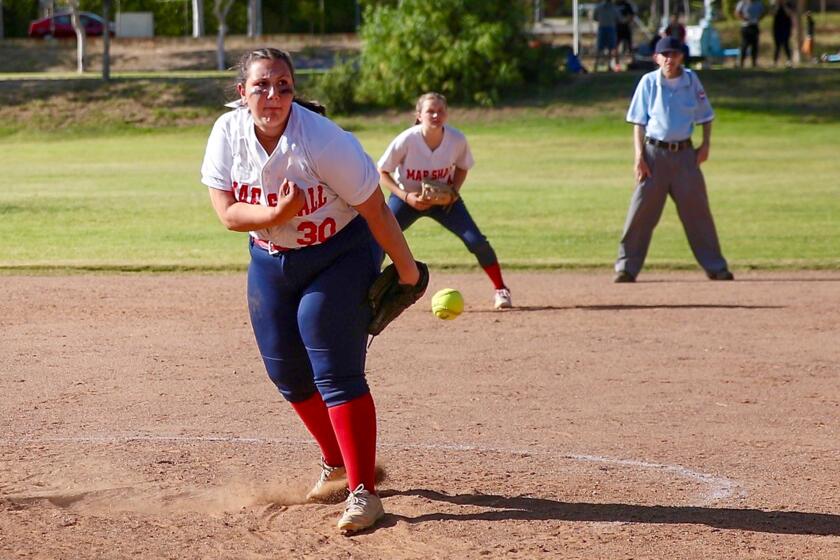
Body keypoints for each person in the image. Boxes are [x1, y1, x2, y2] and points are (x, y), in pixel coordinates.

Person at [200, 47, 424, 535]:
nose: (273, 95)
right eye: (261, 85)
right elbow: (227, 214)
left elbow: (376, 210)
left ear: (294, 92)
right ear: (242, 94)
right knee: (285, 370)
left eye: (283, 85)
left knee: (331, 361)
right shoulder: (227, 133)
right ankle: (336, 463)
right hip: (270, 257)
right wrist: (276, 216)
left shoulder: (321, 140)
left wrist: (407, 272)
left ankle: (364, 493)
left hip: (339, 252)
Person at [614, 37, 733, 283]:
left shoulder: (691, 81)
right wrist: (639, 157)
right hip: (654, 155)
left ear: (681, 56)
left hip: (685, 156)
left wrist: (706, 145)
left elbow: (706, 116)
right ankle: (626, 267)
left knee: (698, 213)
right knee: (640, 212)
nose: (670, 59)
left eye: (674, 54)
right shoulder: (648, 82)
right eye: (664, 54)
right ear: (656, 58)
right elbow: (639, 122)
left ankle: (716, 266)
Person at [377, 92, 512, 310]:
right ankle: (368, 293)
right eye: (430, 111)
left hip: (445, 201)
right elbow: (382, 171)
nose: (436, 115)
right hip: (407, 199)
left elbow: (462, 166)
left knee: (476, 241)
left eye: (441, 111)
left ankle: (501, 289)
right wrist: (407, 197)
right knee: (379, 240)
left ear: (447, 115)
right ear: (419, 115)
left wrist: (453, 192)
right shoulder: (407, 139)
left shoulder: (456, 139)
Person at [735, 0, 765, 68]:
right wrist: (743, 18)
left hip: (754, 25)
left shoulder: (758, 3)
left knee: (755, 45)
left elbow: (763, 12)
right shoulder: (743, 3)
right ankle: (741, 62)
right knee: (744, 45)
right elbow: (737, 12)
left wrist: (758, 18)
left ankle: (754, 62)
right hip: (746, 26)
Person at [593, 0, 621, 71]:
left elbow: (595, 17)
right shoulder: (612, 8)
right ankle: (597, 66)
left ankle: (601, 66)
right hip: (607, 28)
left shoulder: (600, 7)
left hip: (606, 28)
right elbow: (618, 19)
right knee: (606, 48)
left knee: (609, 48)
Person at [772, 0, 794, 66]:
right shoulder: (774, 4)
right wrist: (778, 5)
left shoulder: (789, 4)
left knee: (786, 44)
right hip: (777, 28)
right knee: (777, 46)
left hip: (786, 28)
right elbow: (773, 14)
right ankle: (775, 62)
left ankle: (789, 61)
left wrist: (784, 5)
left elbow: (789, 13)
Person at [615, 0, 637, 64]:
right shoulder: (615, 5)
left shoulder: (627, 5)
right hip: (617, 29)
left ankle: (632, 62)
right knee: (615, 47)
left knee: (630, 46)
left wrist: (625, 21)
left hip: (626, 28)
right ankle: (617, 64)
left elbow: (632, 15)